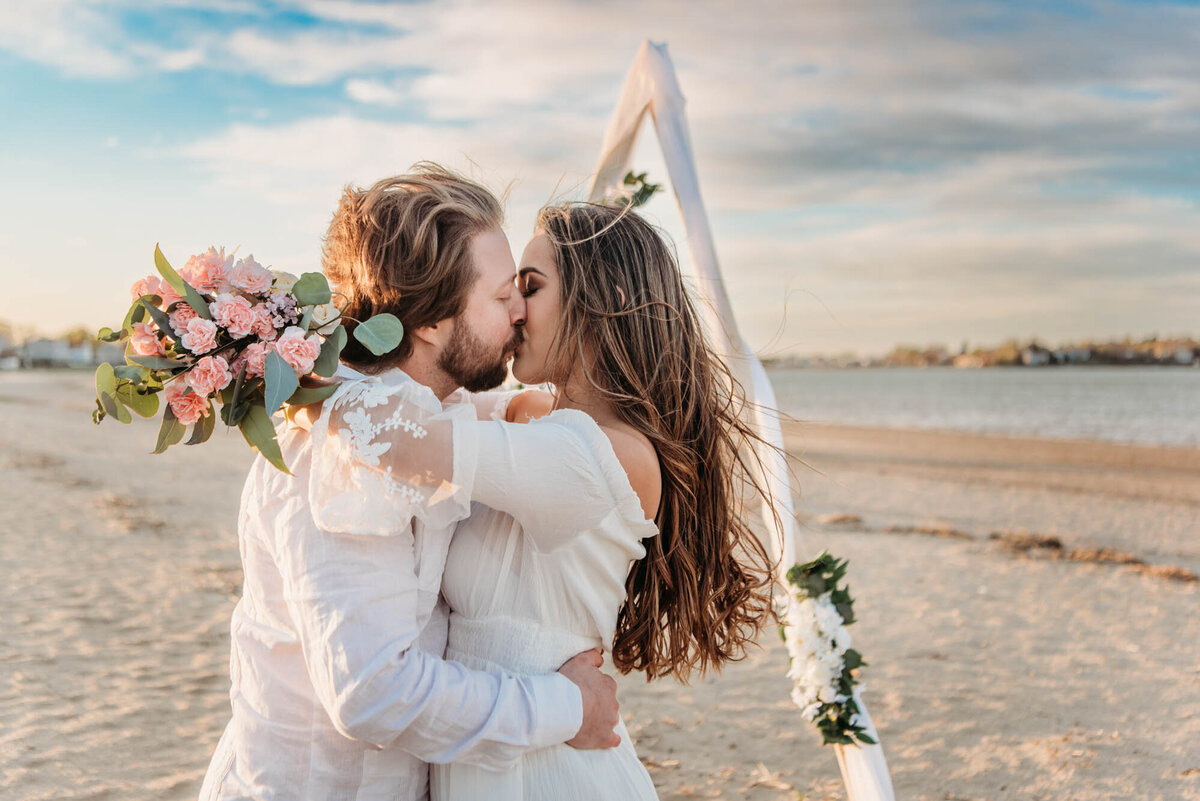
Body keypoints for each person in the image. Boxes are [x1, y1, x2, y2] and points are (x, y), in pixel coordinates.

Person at [308, 201, 780, 800]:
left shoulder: (604, 457)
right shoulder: (534, 418)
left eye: (529, 287)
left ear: (596, 302)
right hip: (497, 758)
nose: (517, 310)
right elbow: (443, 398)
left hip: (552, 776)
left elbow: (402, 437)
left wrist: (275, 366)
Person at [199, 165, 622, 801]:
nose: (518, 313)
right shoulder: (349, 452)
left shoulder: (422, 415)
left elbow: (488, 424)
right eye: (503, 294)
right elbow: (371, 692)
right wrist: (567, 708)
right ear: (428, 321)